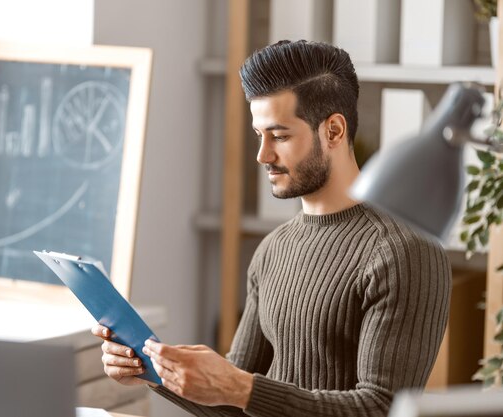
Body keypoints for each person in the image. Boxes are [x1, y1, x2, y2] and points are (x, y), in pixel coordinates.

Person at [92, 39, 451, 417]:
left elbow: (381, 408)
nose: (262, 155)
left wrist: (239, 387)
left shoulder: (406, 250)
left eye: (279, 136)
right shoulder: (274, 248)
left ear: (333, 131)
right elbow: (232, 402)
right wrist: (151, 372)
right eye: (258, 135)